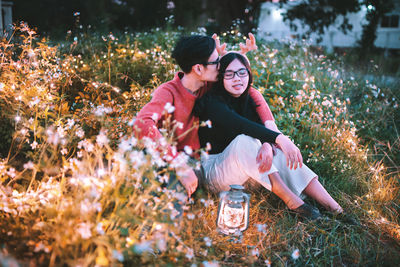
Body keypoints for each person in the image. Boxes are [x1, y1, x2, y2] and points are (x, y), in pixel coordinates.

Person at [133, 34, 303, 200]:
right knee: (166, 200)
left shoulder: (209, 84)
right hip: (175, 160)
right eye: (216, 62)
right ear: (198, 69)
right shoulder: (168, 91)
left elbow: (248, 88)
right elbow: (142, 123)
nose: (220, 66)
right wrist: (179, 163)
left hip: (204, 164)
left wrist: (272, 133)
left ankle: (295, 195)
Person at [193, 52, 344, 219]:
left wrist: (267, 144)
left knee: (277, 152)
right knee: (245, 141)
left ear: (249, 74)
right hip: (215, 174)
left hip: (246, 173)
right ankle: (294, 203)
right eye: (229, 74)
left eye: (242, 72)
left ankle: (336, 210)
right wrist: (280, 138)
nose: (237, 78)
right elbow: (240, 125)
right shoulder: (212, 102)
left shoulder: (249, 100)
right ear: (220, 78)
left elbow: (258, 129)